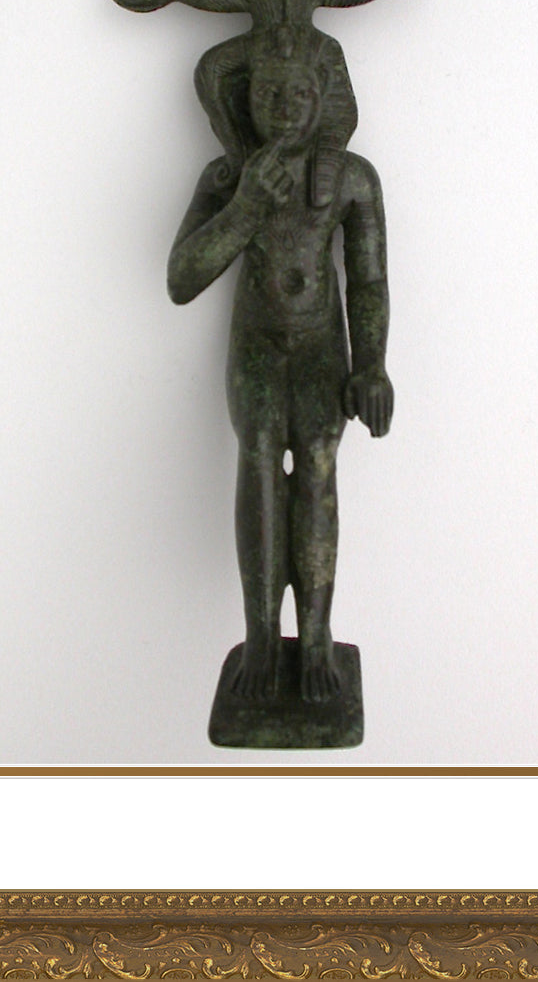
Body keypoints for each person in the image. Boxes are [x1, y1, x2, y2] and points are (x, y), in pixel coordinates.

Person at [168, 49, 393, 703]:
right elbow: (182, 278)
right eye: (269, 93)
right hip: (258, 348)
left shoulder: (350, 178)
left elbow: (369, 279)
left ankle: (316, 637)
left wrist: (371, 364)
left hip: (321, 347)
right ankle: (262, 635)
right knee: (261, 461)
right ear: (245, 102)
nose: (285, 108)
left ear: (325, 101)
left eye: (299, 94)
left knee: (319, 463)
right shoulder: (228, 176)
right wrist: (244, 208)